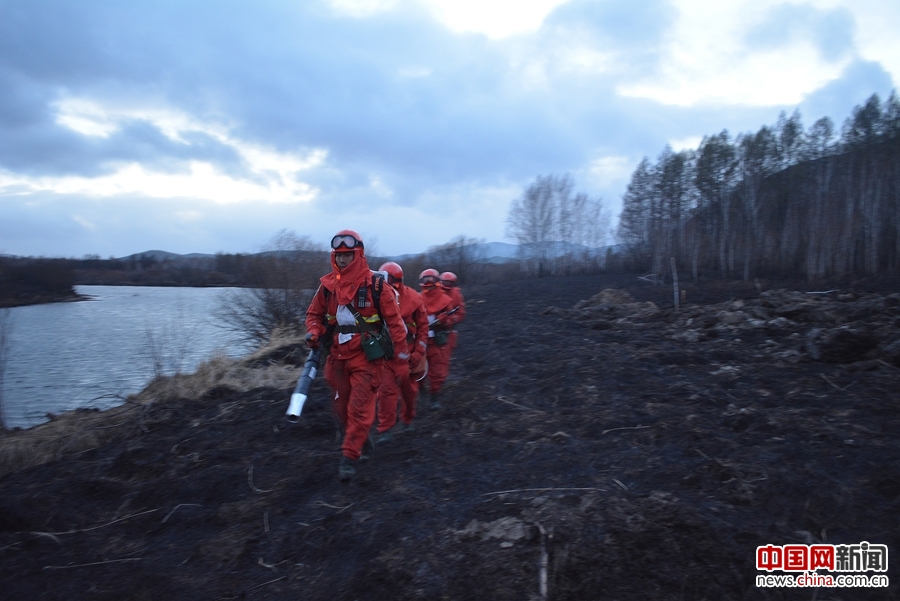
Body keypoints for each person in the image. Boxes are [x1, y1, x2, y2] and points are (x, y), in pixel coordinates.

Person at [305, 230, 409, 481]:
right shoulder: (327, 286)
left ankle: (349, 458)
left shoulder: (376, 286)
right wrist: (314, 332)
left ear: (358, 254)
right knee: (342, 408)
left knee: (359, 409)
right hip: (336, 357)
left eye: (347, 255)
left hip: (367, 357)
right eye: (338, 255)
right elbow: (314, 316)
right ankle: (363, 440)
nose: (342, 260)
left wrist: (401, 357)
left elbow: (395, 324)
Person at [373, 262, 428, 443]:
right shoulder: (374, 298)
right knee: (386, 391)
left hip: (409, 354)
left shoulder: (414, 298)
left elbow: (423, 327)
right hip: (386, 353)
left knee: (409, 392)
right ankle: (386, 428)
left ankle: (408, 418)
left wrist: (418, 353)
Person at [418, 268, 457, 409]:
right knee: (418, 370)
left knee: (438, 371)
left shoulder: (446, 301)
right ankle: (421, 391)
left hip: (438, 341)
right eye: (425, 279)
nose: (428, 282)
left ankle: (434, 397)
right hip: (421, 341)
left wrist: (445, 320)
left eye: (431, 279)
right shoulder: (416, 299)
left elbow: (453, 319)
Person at [439, 271, 466, 352]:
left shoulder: (456, 295)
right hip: (434, 327)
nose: (447, 284)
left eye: (449, 282)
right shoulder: (435, 292)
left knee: (446, 352)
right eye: (445, 282)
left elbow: (461, 313)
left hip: (448, 329)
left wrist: (452, 318)